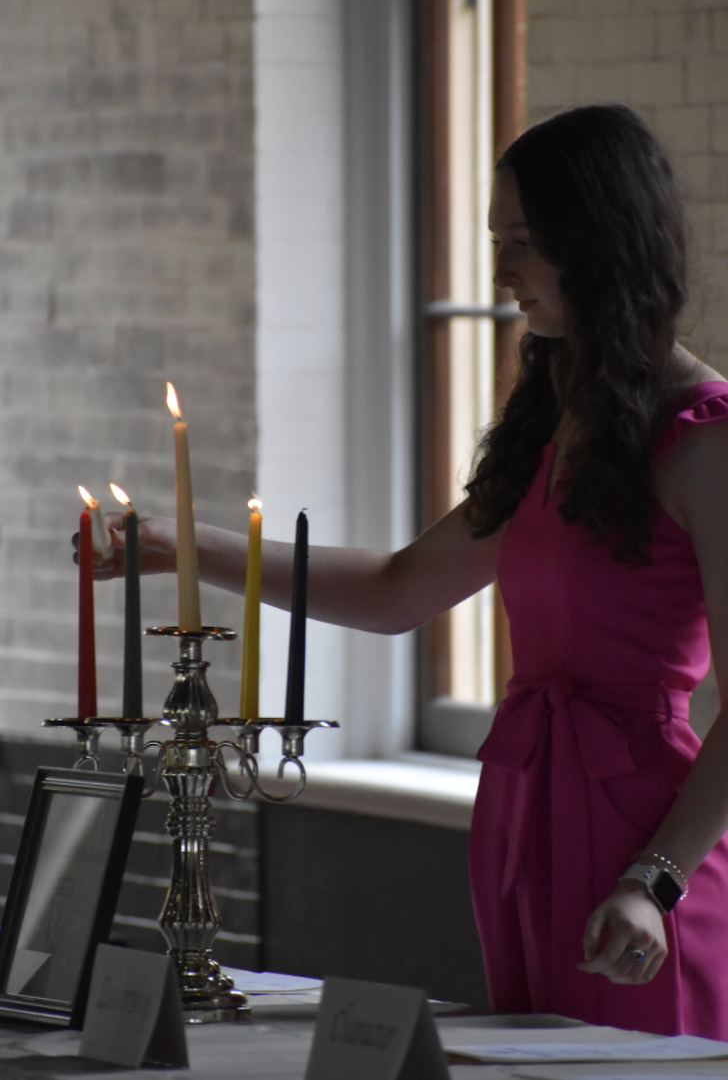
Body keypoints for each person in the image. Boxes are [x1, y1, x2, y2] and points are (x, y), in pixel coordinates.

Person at [91, 105, 728, 1038]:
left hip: (647, 844)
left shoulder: (707, 439)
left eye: (523, 242)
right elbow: (398, 591)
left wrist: (654, 877)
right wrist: (180, 547)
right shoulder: (555, 419)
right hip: (522, 815)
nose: (501, 271)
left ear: (600, 240)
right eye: (495, 240)